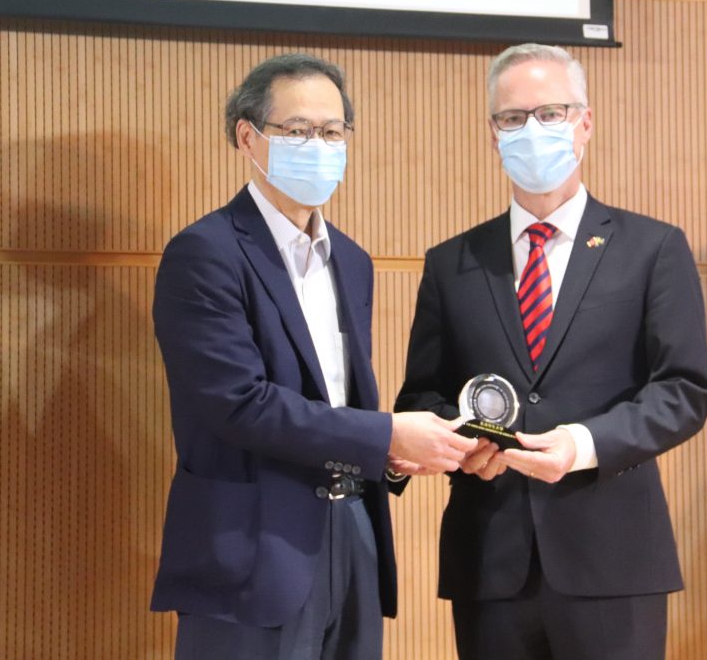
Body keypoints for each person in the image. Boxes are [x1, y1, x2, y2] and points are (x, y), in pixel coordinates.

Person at [394, 43, 707, 660]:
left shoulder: (652, 249)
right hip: (490, 560)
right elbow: (424, 395)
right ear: (493, 135)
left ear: (584, 123)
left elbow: (683, 390)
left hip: (614, 560)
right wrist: (464, 449)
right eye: (512, 119)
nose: (530, 131)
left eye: (550, 113)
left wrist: (583, 445)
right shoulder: (451, 263)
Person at [150, 53, 475, 660]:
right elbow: (238, 404)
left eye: (331, 132)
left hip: (353, 532)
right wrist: (385, 435)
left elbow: (341, 399)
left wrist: (395, 455)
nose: (318, 145)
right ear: (249, 138)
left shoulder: (350, 259)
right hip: (251, 548)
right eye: (297, 131)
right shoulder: (205, 253)